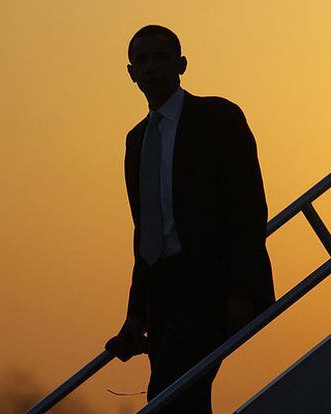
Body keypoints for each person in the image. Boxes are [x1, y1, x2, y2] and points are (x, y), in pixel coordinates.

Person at [115, 24, 275, 413]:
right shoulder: (137, 140)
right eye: (143, 60)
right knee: (185, 398)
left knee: (170, 396)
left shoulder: (216, 118)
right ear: (131, 72)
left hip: (211, 284)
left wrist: (240, 289)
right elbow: (146, 232)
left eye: (161, 58)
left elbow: (248, 207)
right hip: (163, 293)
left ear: (181, 64)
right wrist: (136, 314)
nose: (152, 67)